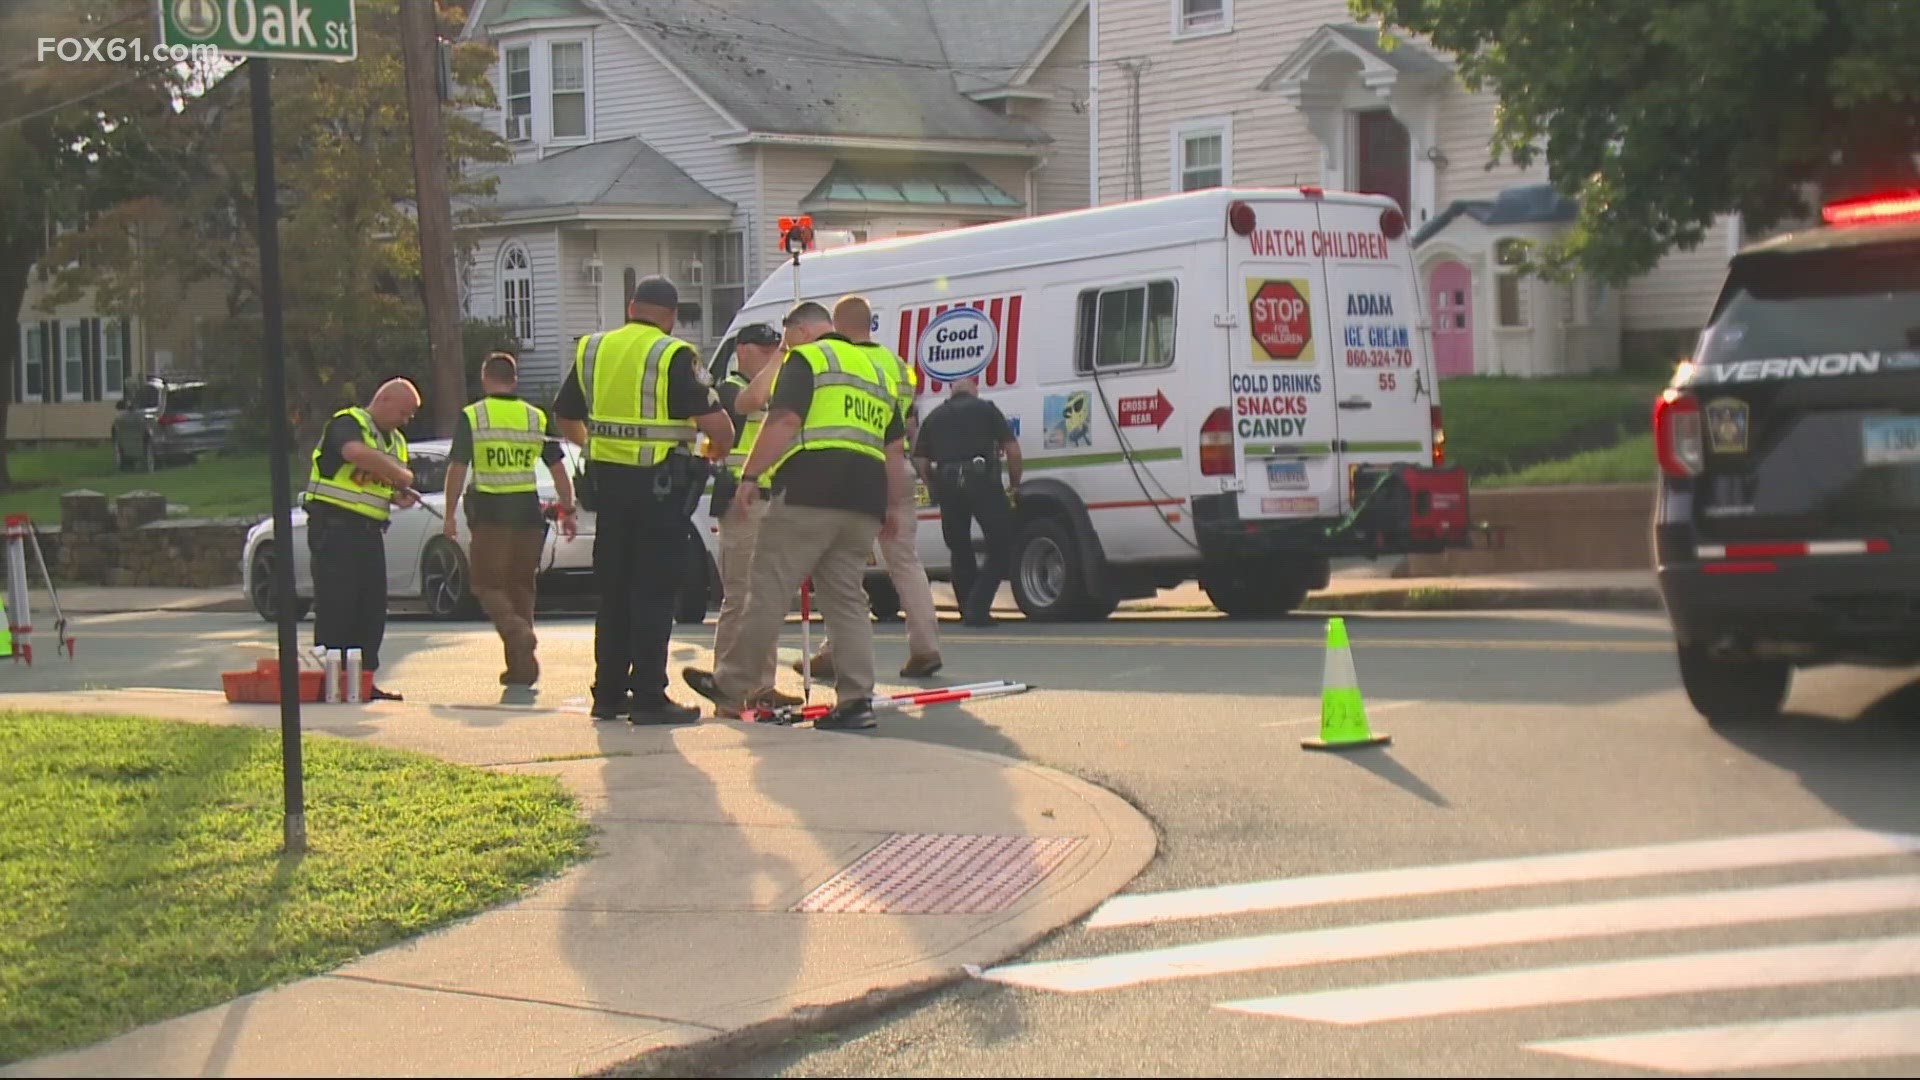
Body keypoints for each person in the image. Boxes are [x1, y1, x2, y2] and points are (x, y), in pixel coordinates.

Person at [681, 300, 909, 729]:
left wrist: (750, 476)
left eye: (786, 338)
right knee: (846, 601)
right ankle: (856, 700)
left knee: (766, 588)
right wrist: (892, 506)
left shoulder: (807, 359)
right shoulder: (876, 372)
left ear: (801, 331)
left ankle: (731, 685)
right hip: (863, 502)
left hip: (809, 492)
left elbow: (783, 421)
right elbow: (894, 449)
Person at [553, 275, 735, 723]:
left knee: (613, 594)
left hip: (609, 491)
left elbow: (565, 414)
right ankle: (650, 696)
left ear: (631, 306)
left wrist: (594, 446)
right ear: (671, 316)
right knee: (653, 594)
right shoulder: (672, 355)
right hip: (660, 491)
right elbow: (721, 430)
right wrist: (706, 459)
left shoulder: (593, 349)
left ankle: (609, 694)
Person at [798, 294, 943, 680]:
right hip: (897, 468)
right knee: (905, 562)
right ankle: (925, 645)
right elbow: (906, 419)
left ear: (836, 325)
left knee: (838, 565)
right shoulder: (898, 367)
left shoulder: (836, 359)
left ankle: (836, 649)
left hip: (852, 471)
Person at [443, 351, 577, 688]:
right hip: (529, 516)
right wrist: (568, 509)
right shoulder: (535, 416)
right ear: (514, 379)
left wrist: (449, 515)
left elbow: (457, 468)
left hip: (490, 515)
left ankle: (518, 634)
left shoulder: (474, 416)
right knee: (520, 588)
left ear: (485, 377)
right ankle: (522, 669)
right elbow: (558, 467)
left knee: (487, 585)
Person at [303, 377, 423, 699]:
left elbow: (378, 483)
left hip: (369, 533)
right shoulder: (349, 423)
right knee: (336, 608)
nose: (406, 420)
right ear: (383, 399)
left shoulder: (395, 442)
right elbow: (353, 453)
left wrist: (397, 495)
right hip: (335, 528)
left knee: (371, 610)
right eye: (403, 412)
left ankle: (363, 683)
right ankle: (330, 685)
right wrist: (399, 476)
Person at [709, 321, 800, 710]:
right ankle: (729, 689)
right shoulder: (728, 389)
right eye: (762, 350)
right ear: (742, 350)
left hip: (770, 499)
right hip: (742, 504)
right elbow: (752, 399)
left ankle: (761, 685)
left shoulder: (768, 389)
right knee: (741, 597)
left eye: (772, 350)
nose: (769, 356)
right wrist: (783, 354)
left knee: (767, 597)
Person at [913, 374, 1021, 627]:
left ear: (951, 391)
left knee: (960, 548)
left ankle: (968, 608)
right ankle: (978, 606)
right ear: (974, 389)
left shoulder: (935, 416)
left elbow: (919, 460)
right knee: (1002, 543)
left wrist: (932, 484)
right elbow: (1013, 450)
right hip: (982, 481)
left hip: (948, 483)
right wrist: (1014, 485)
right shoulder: (987, 410)